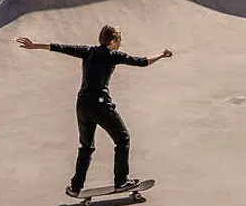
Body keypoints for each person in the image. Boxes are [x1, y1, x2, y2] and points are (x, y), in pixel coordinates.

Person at [15, 27, 173, 197]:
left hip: (82, 104)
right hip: (100, 104)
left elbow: (61, 47)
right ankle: (121, 181)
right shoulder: (114, 55)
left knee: (86, 147)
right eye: (120, 40)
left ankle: (75, 187)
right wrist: (162, 55)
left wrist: (34, 46)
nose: (121, 43)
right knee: (123, 138)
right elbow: (142, 62)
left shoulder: (88, 51)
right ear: (113, 41)